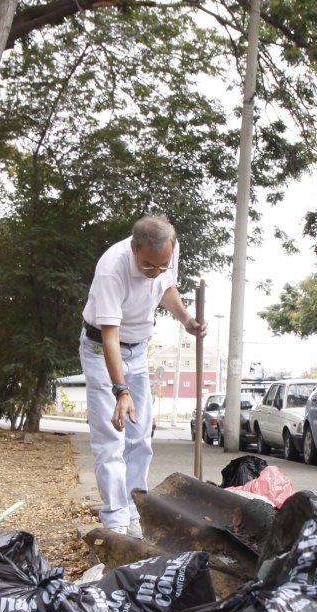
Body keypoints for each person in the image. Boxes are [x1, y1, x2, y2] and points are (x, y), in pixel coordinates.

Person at [81, 215, 206, 537]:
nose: (156, 272)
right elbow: (110, 337)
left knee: (140, 438)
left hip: (138, 350)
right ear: (135, 248)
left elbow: (166, 288)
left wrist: (186, 320)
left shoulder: (165, 254)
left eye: (163, 265)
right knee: (111, 438)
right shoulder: (112, 269)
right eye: (149, 265)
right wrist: (121, 392)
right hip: (101, 350)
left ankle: (135, 510)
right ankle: (115, 522)